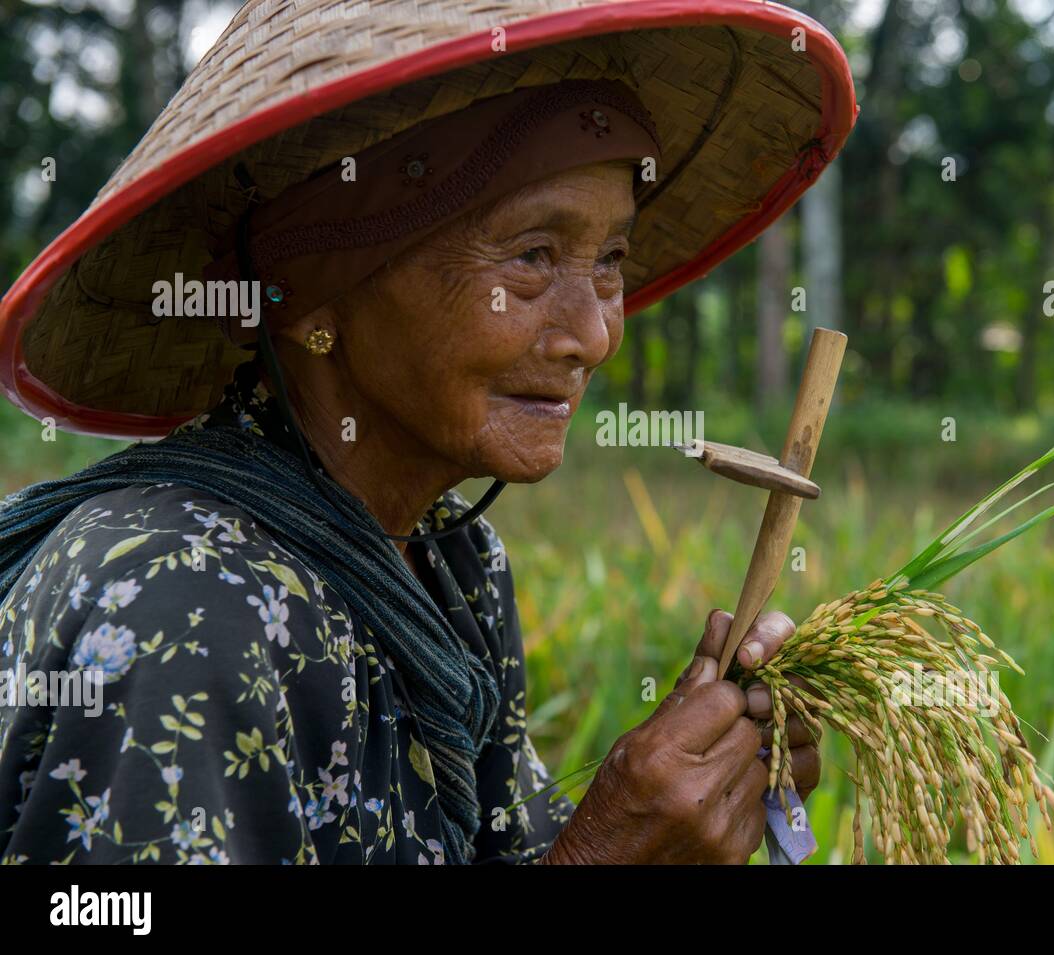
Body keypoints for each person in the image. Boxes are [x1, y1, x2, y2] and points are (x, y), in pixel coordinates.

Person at [0, 0, 857, 864]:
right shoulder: (186, 608)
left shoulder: (454, 566)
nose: (594, 334)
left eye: (609, 261)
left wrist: (680, 795)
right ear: (308, 295)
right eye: (530, 257)